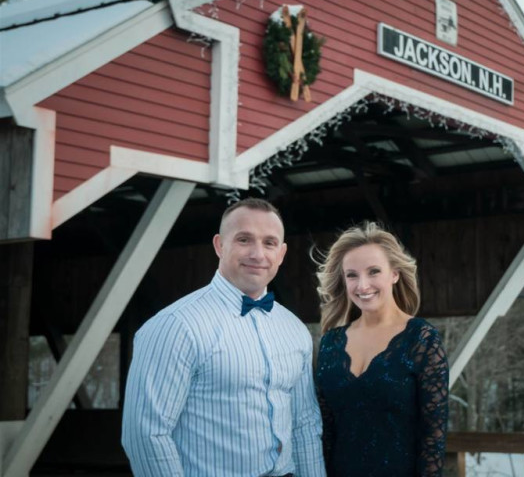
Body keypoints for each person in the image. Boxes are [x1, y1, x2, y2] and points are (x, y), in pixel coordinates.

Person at [121, 198, 325, 477]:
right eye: (244, 239)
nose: (258, 254)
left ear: (282, 253)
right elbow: (146, 434)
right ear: (219, 245)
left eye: (269, 243)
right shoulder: (175, 326)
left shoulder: (294, 329)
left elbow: (305, 424)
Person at [314, 222, 448, 476]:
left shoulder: (421, 339)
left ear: (394, 274)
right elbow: (325, 431)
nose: (362, 285)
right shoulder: (330, 344)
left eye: (373, 271)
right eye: (352, 275)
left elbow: (433, 436)